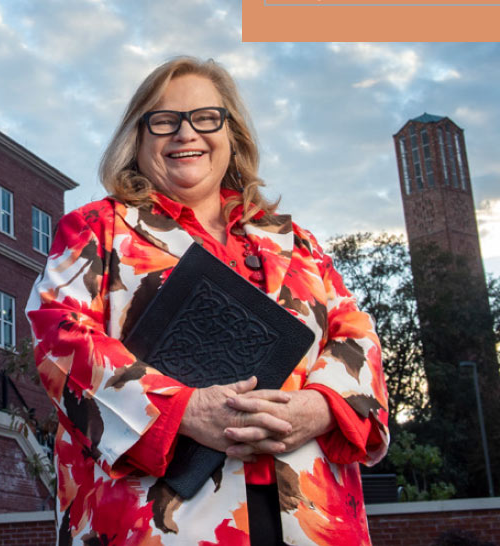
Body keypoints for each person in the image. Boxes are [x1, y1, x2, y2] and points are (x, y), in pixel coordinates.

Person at [26, 56, 389, 546]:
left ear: (231, 133)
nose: (185, 134)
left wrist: (318, 407)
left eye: (205, 118)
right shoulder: (99, 228)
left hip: (309, 512)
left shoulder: (295, 242)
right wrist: (184, 410)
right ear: (138, 137)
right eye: (164, 121)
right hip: (156, 519)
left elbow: (356, 335)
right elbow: (58, 335)